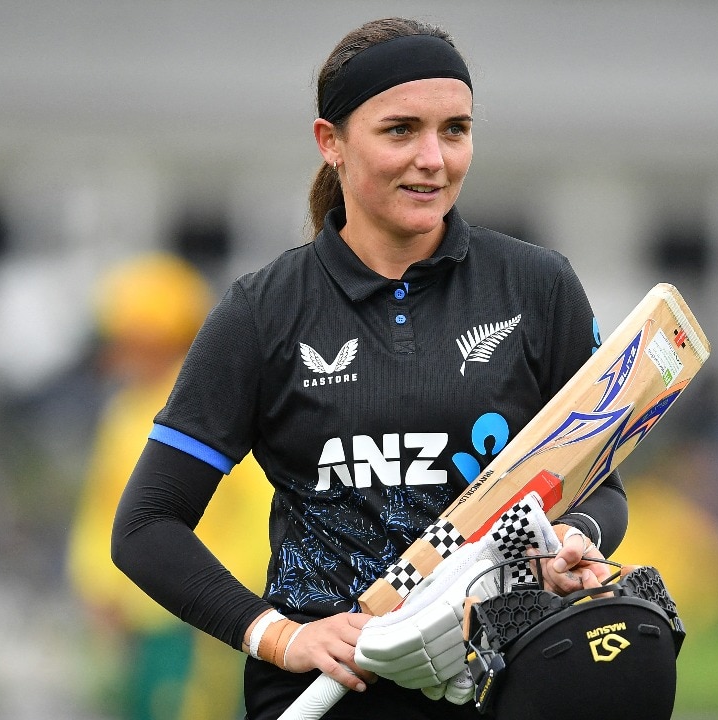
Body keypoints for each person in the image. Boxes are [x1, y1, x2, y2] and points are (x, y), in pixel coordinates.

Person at [110, 17, 627, 720]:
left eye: (454, 130)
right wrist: (279, 636)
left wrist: (573, 538)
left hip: (501, 682)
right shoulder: (263, 311)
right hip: (327, 695)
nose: (433, 158)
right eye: (400, 130)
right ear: (332, 143)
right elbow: (147, 525)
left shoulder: (537, 288)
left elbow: (600, 488)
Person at [68, 253, 272, 720]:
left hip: (199, 618)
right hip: (144, 620)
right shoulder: (125, 410)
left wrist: (236, 595)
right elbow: (104, 505)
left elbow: (261, 509)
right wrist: (98, 586)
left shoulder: (213, 403)